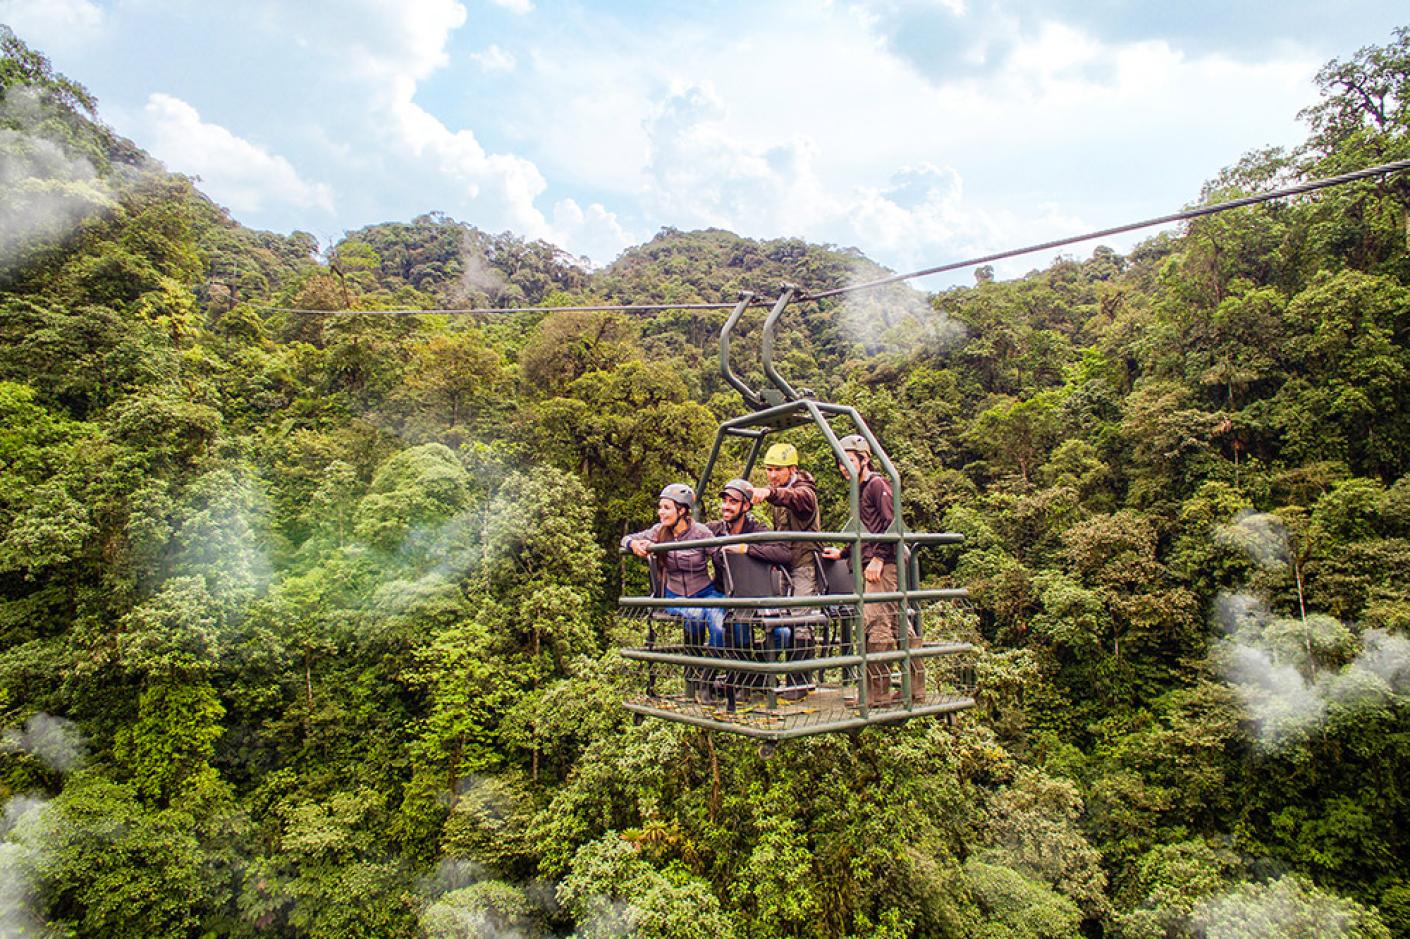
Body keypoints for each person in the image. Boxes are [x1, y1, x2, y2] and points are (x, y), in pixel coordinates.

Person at [822, 434, 924, 707]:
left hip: (885, 564)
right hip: (876, 561)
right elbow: (866, 530)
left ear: (864, 460)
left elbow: (892, 524)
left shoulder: (877, 485)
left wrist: (878, 557)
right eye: (841, 462)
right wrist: (843, 553)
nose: (843, 467)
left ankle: (877, 694)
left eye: (849, 461)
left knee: (875, 624)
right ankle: (914, 689)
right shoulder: (860, 489)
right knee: (896, 622)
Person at [622, 485, 728, 700]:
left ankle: (707, 678)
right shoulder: (659, 531)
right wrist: (634, 544)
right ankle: (694, 672)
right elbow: (626, 538)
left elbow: (719, 555)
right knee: (695, 617)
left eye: (667, 508)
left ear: (682, 511)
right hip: (675, 594)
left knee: (718, 623)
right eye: (660, 507)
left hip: (704, 591)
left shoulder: (701, 532)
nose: (661, 512)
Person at [750, 443, 821, 698]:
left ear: (792, 469)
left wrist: (769, 492)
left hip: (803, 562)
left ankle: (799, 683)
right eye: (768, 470)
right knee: (779, 618)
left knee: (801, 619)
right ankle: (768, 676)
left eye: (777, 470)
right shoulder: (779, 493)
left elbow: (797, 500)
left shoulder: (804, 492)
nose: (771, 475)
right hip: (785, 563)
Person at [709, 477, 793, 665]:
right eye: (724, 501)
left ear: (746, 506)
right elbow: (688, 534)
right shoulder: (715, 530)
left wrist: (747, 549)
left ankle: (760, 666)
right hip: (724, 593)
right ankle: (742, 675)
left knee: (783, 633)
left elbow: (784, 553)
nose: (726, 506)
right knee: (732, 627)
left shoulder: (756, 530)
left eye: (733, 502)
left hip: (756, 593)